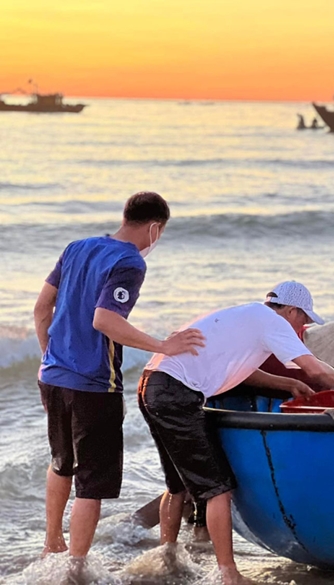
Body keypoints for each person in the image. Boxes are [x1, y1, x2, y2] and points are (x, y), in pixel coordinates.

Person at [137, 281, 334, 585]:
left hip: (151, 384)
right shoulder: (274, 322)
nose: (305, 326)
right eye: (305, 318)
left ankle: (167, 558)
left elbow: (240, 367)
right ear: (291, 310)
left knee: (177, 482)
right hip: (177, 392)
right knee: (218, 488)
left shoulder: (246, 315)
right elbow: (314, 369)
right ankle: (229, 575)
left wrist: (286, 385)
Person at [32, 192, 205, 565]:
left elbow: (41, 308)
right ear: (155, 229)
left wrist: (49, 355)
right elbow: (105, 321)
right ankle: (76, 567)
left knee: (61, 462)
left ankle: (52, 544)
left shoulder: (76, 247)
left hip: (53, 376)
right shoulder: (130, 262)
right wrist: (164, 345)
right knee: (91, 482)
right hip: (93, 384)